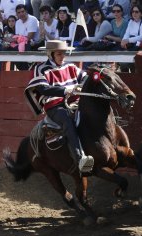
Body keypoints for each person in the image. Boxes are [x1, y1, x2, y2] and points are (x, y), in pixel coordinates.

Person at [24, 40, 94, 173]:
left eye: (64, 54)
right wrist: (65, 91)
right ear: (51, 54)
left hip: (75, 103)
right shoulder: (41, 68)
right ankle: (80, 158)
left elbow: (84, 78)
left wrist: (84, 83)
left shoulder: (71, 67)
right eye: (59, 54)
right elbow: (43, 89)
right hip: (54, 106)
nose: (63, 57)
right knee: (66, 117)